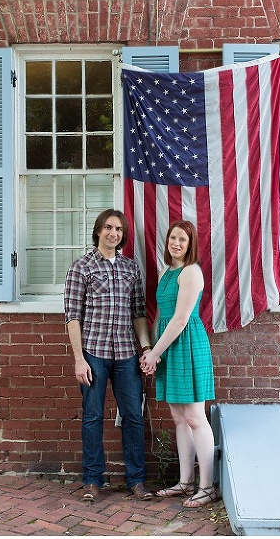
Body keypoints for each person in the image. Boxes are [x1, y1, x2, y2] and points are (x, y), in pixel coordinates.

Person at [64, 209, 154, 503]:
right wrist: (79, 358)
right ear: (98, 231)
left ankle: (137, 481)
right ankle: (92, 480)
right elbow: (72, 317)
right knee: (92, 417)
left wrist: (146, 348)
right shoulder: (82, 268)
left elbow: (139, 313)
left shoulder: (131, 268)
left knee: (133, 417)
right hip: (94, 354)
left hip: (127, 354)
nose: (113, 233)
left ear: (122, 235)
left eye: (118, 229)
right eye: (108, 228)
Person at [140, 220, 218, 508]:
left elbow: (181, 319)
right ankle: (185, 482)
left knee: (196, 417)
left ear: (190, 244)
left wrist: (154, 352)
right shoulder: (166, 272)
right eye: (172, 237)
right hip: (167, 347)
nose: (176, 243)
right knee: (178, 419)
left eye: (182, 239)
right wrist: (151, 350)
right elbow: (160, 316)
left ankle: (207, 486)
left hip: (187, 345)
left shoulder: (191, 272)